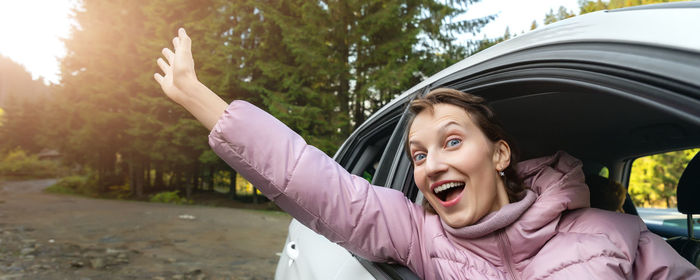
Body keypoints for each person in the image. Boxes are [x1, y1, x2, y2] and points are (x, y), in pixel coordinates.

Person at [154, 28, 700, 279]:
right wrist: (200, 98)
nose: (431, 164)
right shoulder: (418, 234)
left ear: (501, 153)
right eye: (416, 155)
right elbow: (312, 179)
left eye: (452, 142)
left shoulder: (615, 233)